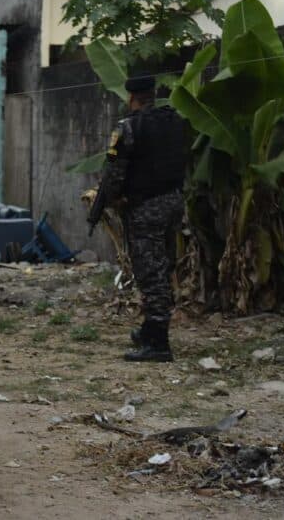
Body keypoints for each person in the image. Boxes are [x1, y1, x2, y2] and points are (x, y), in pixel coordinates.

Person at [92, 74, 187, 362]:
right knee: (164, 265)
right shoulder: (174, 121)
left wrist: (111, 200)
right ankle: (150, 329)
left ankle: (158, 344)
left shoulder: (129, 127)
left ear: (131, 97)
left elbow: (114, 174)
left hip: (146, 208)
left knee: (150, 272)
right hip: (174, 202)